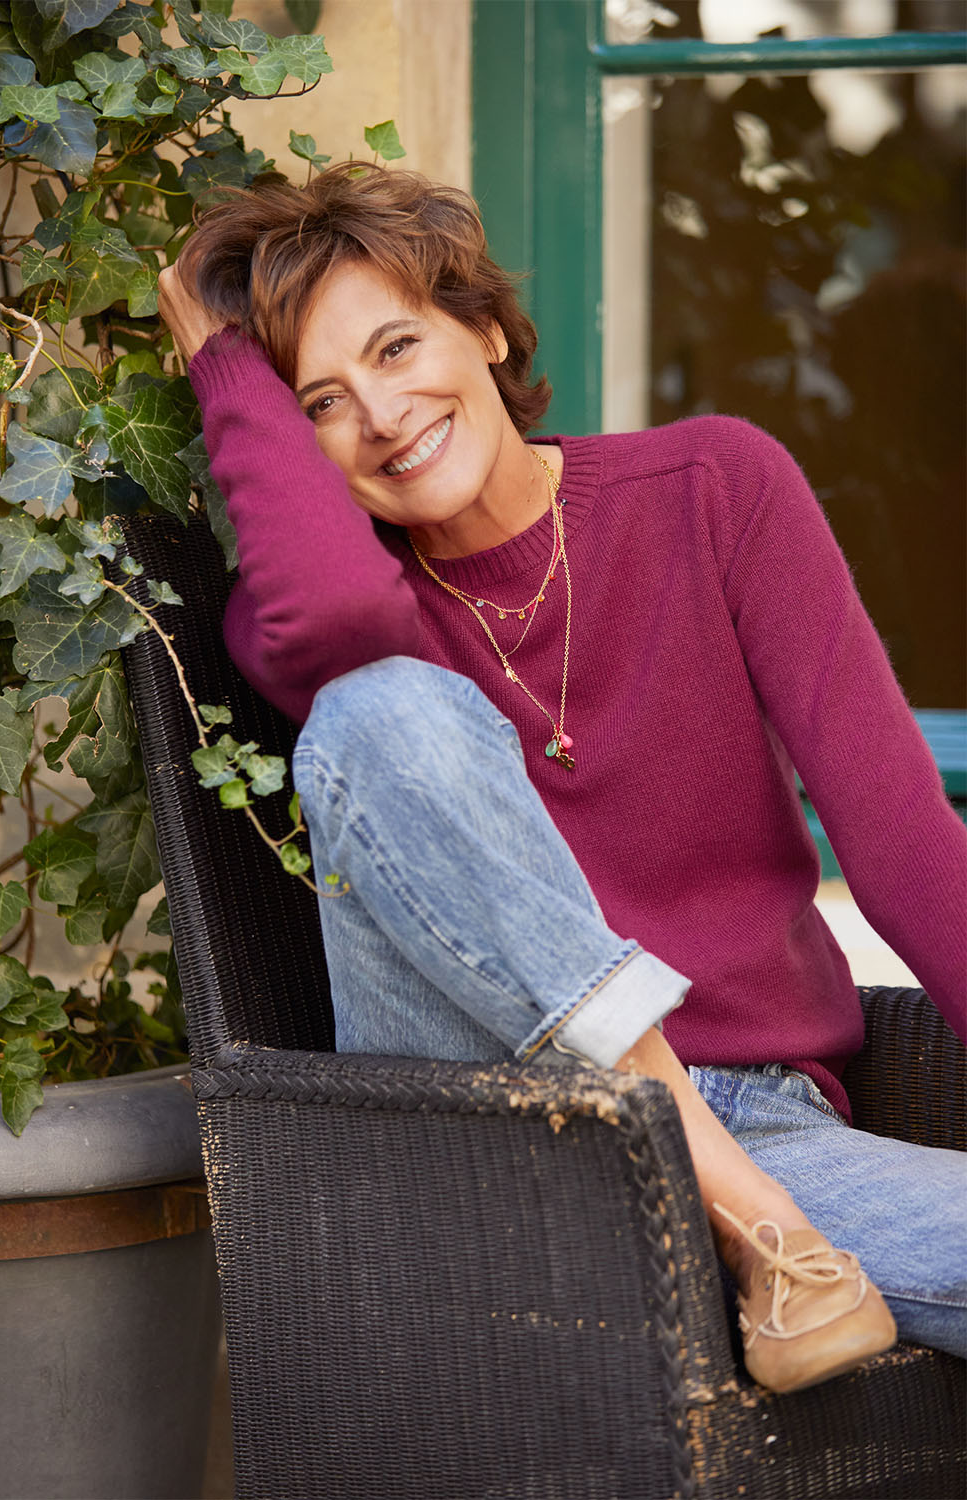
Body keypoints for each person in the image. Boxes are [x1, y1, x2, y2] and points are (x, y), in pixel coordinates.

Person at [158, 163, 966, 1395]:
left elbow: (906, 844)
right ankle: (753, 1228)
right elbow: (339, 620)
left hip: (768, 1132)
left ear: (485, 329)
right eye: (320, 402)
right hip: (490, 1138)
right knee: (382, 711)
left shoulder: (714, 490)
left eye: (396, 347)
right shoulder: (305, 618)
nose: (381, 415)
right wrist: (224, 365)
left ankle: (761, 1231)